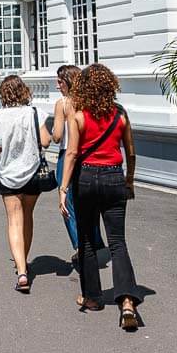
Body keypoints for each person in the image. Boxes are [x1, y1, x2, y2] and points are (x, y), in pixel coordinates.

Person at [60, 63, 143, 331]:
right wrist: (129, 180)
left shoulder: (79, 117)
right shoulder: (121, 115)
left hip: (85, 179)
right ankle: (127, 300)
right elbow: (130, 152)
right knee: (117, 241)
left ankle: (93, 298)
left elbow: (71, 154)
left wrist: (63, 189)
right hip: (113, 177)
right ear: (110, 86)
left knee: (85, 239)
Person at [0, 75, 44, 293]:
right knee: (27, 217)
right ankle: (24, 261)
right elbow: (46, 140)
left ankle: (21, 271)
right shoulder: (34, 113)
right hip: (32, 171)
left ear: (3, 94)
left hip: (8, 173)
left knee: (13, 221)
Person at [46, 64, 103, 265]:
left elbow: (57, 136)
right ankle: (94, 242)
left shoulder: (63, 103)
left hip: (67, 155)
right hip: (89, 156)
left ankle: (80, 247)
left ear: (68, 82)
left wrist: (51, 128)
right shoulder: (91, 102)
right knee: (89, 202)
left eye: (60, 81)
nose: (57, 85)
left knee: (67, 204)